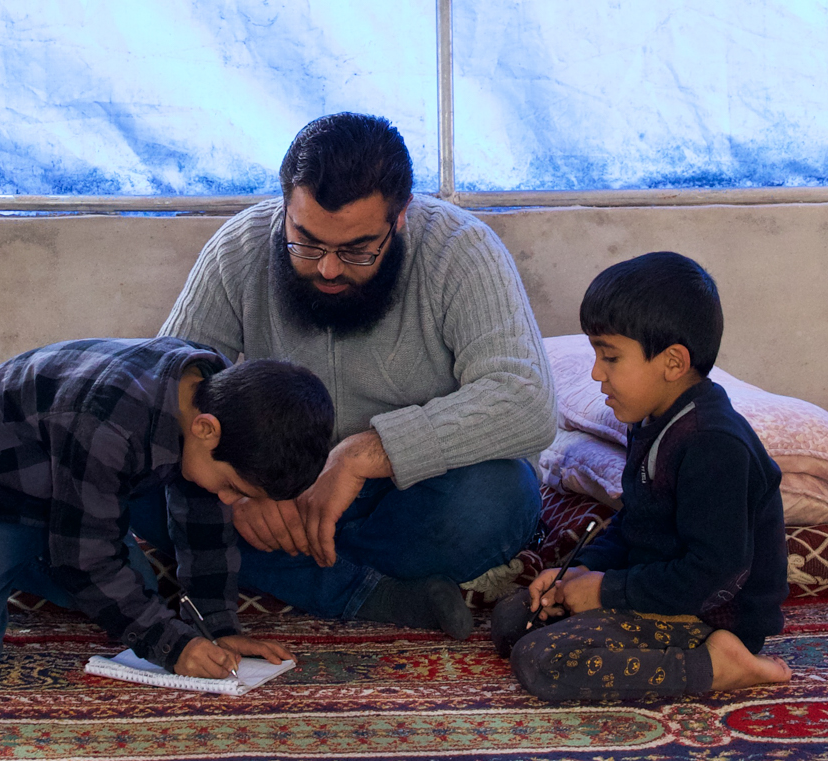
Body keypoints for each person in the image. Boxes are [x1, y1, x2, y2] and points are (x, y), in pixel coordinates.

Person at [161, 112, 553, 637]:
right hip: (272, 493)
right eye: (306, 242)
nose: (327, 268)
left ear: (402, 218)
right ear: (285, 208)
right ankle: (370, 592)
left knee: (498, 496)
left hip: (408, 499)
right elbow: (166, 389)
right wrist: (236, 494)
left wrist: (364, 455)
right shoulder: (241, 248)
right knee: (142, 487)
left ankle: (286, 571)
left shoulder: (461, 251)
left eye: (356, 250)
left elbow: (526, 400)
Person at [0, 335, 333, 675]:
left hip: (69, 489)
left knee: (127, 601)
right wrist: (173, 646)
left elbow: (204, 531)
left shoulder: (215, 396)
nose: (228, 501)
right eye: (231, 486)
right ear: (206, 429)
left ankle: (46, 546)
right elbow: (88, 561)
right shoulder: (109, 423)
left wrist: (216, 627)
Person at [491, 251, 792, 702]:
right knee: (514, 617)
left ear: (672, 362)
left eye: (610, 357)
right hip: (656, 587)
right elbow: (636, 523)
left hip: (709, 614)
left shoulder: (714, 444)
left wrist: (609, 591)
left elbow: (714, 572)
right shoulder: (652, 422)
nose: (597, 374)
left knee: (543, 659)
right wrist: (583, 570)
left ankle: (716, 664)